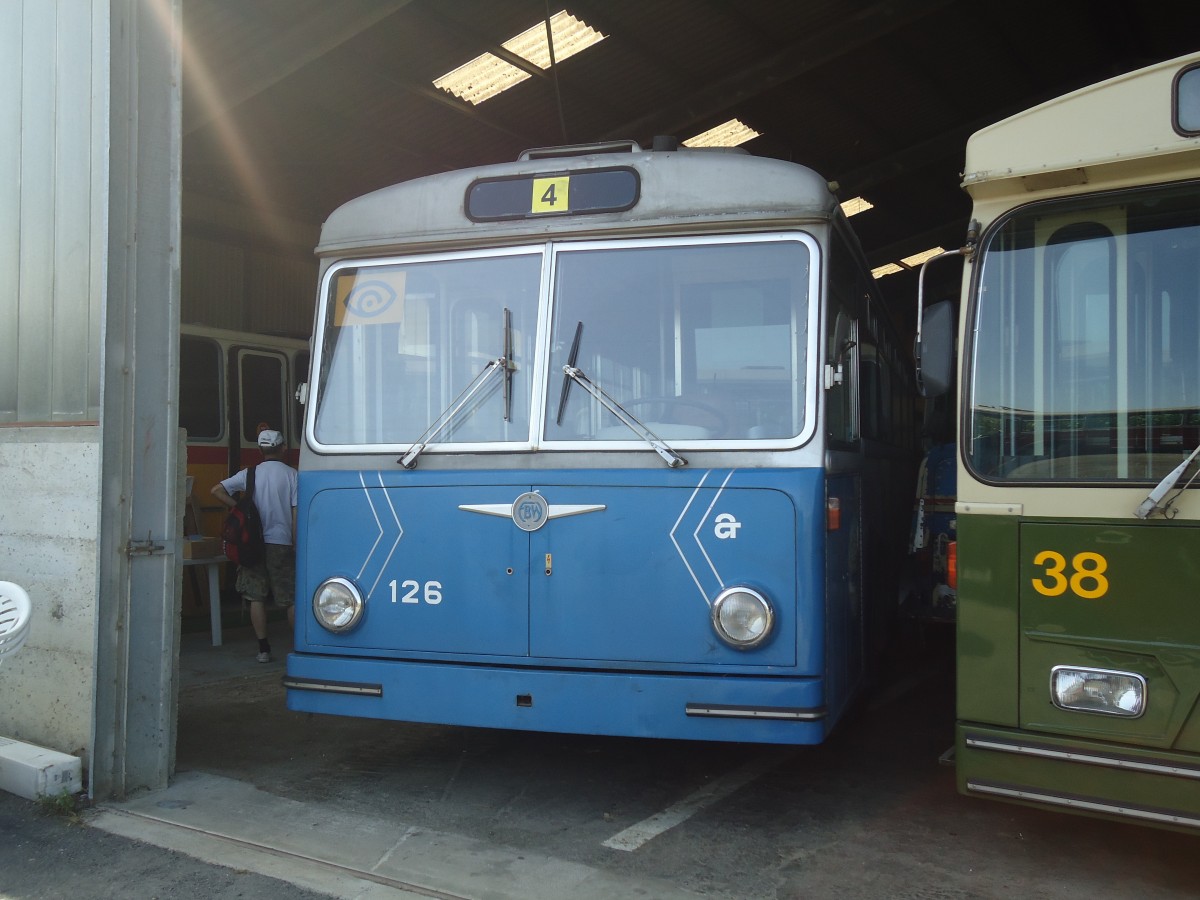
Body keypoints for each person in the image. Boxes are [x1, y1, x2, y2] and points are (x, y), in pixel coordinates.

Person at [211, 429, 298, 663]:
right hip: (281, 543)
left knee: (256, 597)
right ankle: (299, 648)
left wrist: (239, 507)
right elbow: (295, 513)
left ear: (259, 450)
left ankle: (263, 649)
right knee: (290, 599)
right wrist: (295, 543)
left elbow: (216, 490)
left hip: (252, 544)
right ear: (283, 448)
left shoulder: (248, 474)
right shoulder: (292, 475)